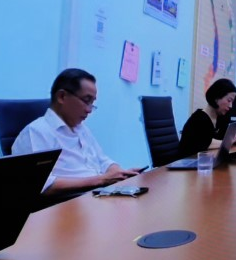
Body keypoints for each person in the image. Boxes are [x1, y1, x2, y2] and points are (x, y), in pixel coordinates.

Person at [12, 68, 142, 196]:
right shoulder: (37, 132)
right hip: (67, 203)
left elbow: (102, 160)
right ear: (62, 96)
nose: (89, 110)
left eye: (92, 103)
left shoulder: (81, 129)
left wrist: (119, 173)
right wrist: (101, 180)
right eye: (86, 101)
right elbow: (41, 185)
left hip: (96, 195)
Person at [179, 78, 236, 158]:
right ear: (216, 98)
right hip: (188, 161)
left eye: (232, 102)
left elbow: (222, 137)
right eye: (229, 100)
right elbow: (205, 143)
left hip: (205, 160)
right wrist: (230, 141)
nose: (231, 106)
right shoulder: (199, 119)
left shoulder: (220, 118)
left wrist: (235, 137)